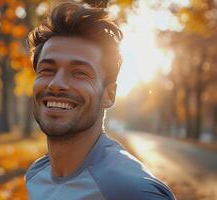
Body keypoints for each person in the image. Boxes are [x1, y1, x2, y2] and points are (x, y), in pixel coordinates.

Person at [24, 1, 176, 200]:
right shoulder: (36, 174)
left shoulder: (133, 191)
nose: (56, 84)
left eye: (79, 73)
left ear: (109, 95)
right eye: (47, 70)